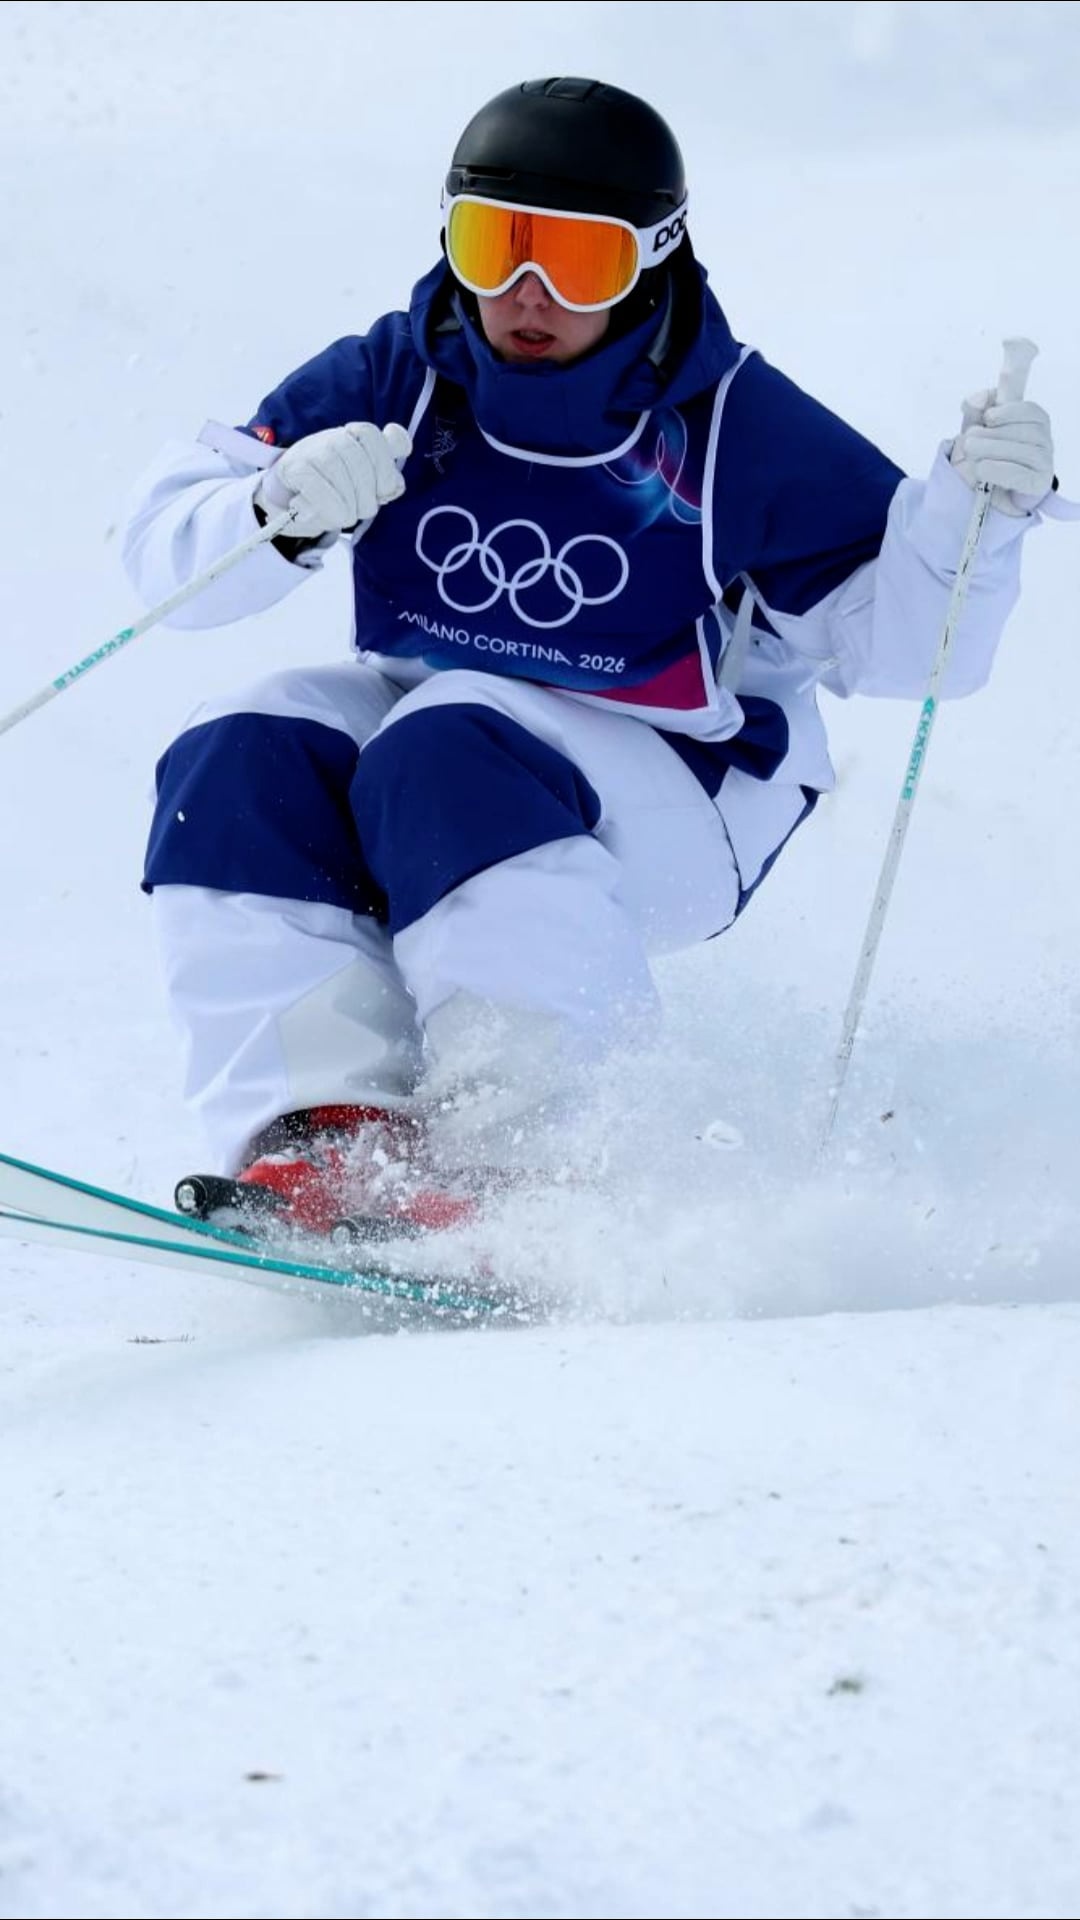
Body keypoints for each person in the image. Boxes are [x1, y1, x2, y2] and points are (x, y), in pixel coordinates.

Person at [124, 76, 1065, 1238]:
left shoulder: (730, 425)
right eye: (492, 246)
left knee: (452, 738)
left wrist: (974, 519)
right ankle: (330, 1136)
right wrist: (272, 508)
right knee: (243, 743)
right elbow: (166, 560)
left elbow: (917, 659)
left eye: (578, 262)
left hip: (690, 795)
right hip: (440, 756)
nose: (524, 294)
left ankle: (537, 1161)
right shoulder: (403, 377)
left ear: (653, 258)